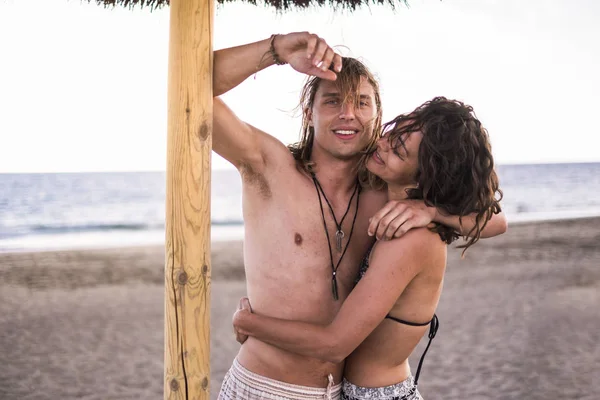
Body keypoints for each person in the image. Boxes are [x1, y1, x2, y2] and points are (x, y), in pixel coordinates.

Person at [213, 31, 507, 399]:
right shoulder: (267, 165)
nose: (348, 114)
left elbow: (495, 220)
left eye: (361, 103)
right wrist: (276, 51)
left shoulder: (386, 194)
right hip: (265, 387)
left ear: (377, 115)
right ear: (309, 113)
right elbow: (191, 91)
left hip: (341, 392)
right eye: (333, 101)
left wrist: (430, 209)